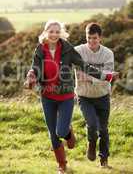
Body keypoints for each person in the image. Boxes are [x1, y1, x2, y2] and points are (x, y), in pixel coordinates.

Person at [24, 20, 107, 174]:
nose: (54, 34)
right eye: (51, 31)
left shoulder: (68, 49)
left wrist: (104, 76)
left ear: (61, 33)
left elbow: (83, 65)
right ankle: (62, 165)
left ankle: (67, 132)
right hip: (47, 96)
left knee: (60, 132)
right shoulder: (41, 49)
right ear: (46, 33)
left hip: (65, 96)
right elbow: (35, 67)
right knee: (52, 133)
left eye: (57, 31)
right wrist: (31, 75)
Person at [75, 23, 118, 168]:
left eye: (94, 38)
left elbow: (108, 78)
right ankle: (91, 144)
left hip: (102, 96)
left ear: (100, 38)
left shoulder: (108, 54)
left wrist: (88, 77)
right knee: (92, 125)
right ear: (85, 37)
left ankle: (104, 159)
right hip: (84, 96)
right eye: (89, 38)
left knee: (103, 129)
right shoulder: (79, 51)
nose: (91, 41)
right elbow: (65, 58)